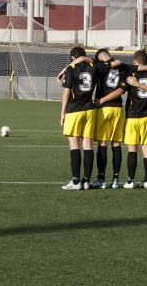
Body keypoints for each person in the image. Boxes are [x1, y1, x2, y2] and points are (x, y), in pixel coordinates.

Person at [88, 49, 128, 189]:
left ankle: (101, 179)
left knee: (103, 143)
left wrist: (101, 100)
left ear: (100, 58)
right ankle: (116, 179)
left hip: (104, 109)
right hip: (118, 108)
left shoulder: (100, 67)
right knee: (116, 144)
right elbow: (120, 91)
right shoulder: (123, 67)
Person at [59, 46, 97, 190]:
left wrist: (62, 113)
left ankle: (75, 181)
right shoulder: (93, 67)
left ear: (72, 58)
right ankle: (86, 181)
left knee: (74, 143)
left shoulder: (71, 69)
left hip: (75, 110)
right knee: (88, 144)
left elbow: (66, 93)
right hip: (90, 110)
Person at [121, 50, 147, 189]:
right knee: (146, 148)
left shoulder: (131, 75)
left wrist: (136, 84)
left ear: (135, 62)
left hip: (133, 116)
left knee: (132, 149)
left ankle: (130, 181)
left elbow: (122, 90)